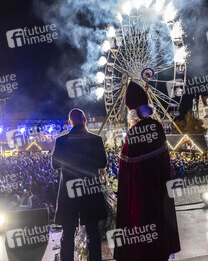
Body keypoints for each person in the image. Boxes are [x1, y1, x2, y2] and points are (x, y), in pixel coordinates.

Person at [114, 81, 181, 261]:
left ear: (132, 110)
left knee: (143, 223)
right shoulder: (158, 127)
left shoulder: (134, 132)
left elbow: (126, 167)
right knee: (159, 220)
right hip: (159, 189)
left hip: (140, 193)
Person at [51, 108, 108, 261]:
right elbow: (103, 163)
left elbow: (55, 165)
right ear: (85, 120)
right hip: (90, 192)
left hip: (69, 193)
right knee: (93, 233)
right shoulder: (96, 140)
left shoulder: (61, 141)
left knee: (68, 233)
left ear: (70, 122)